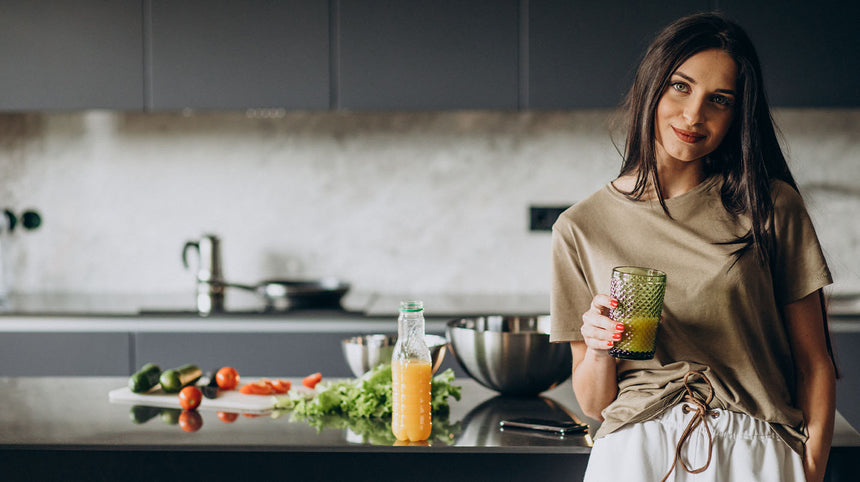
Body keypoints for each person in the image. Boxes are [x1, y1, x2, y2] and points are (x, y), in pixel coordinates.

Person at [550, 12, 837, 482]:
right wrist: (601, 349)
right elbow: (595, 403)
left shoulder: (769, 205)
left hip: (754, 449)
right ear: (651, 86)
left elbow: (815, 362)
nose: (694, 115)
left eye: (719, 100)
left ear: (736, 115)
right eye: (680, 87)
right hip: (635, 453)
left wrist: (811, 467)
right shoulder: (581, 227)